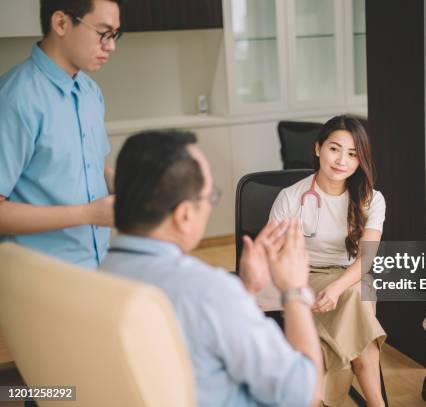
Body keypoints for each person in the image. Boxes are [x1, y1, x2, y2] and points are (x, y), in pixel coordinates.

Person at [100, 130, 322, 407]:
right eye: (210, 197)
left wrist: (245, 292)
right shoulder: (209, 292)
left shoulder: (95, 278)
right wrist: (294, 291)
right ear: (184, 215)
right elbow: (304, 393)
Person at [269, 115, 387, 406]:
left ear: (361, 160)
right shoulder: (290, 197)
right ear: (318, 148)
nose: (341, 161)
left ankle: (318, 397)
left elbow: (366, 260)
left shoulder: (372, 199)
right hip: (302, 276)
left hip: (353, 274)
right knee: (358, 309)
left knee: (352, 297)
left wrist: (336, 289)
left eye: (352, 154)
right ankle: (377, 403)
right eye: (334, 149)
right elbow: (275, 256)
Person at [0, 0, 121, 268]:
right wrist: (88, 214)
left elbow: (91, 168)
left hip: (97, 266)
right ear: (61, 23)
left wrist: (127, 185)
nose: (111, 46)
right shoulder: (14, 99)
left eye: (114, 35)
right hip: (40, 280)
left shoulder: (91, 92)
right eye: (103, 33)